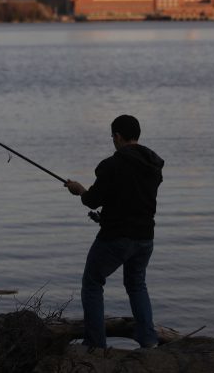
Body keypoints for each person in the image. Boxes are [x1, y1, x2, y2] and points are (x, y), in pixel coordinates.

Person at [65, 114, 164, 349]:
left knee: (92, 282)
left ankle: (94, 344)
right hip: (145, 238)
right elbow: (130, 198)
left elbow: (92, 199)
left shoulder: (112, 165)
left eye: (112, 136)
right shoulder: (153, 165)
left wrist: (79, 190)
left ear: (118, 136)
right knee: (137, 284)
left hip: (116, 237)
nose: (113, 141)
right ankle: (149, 342)